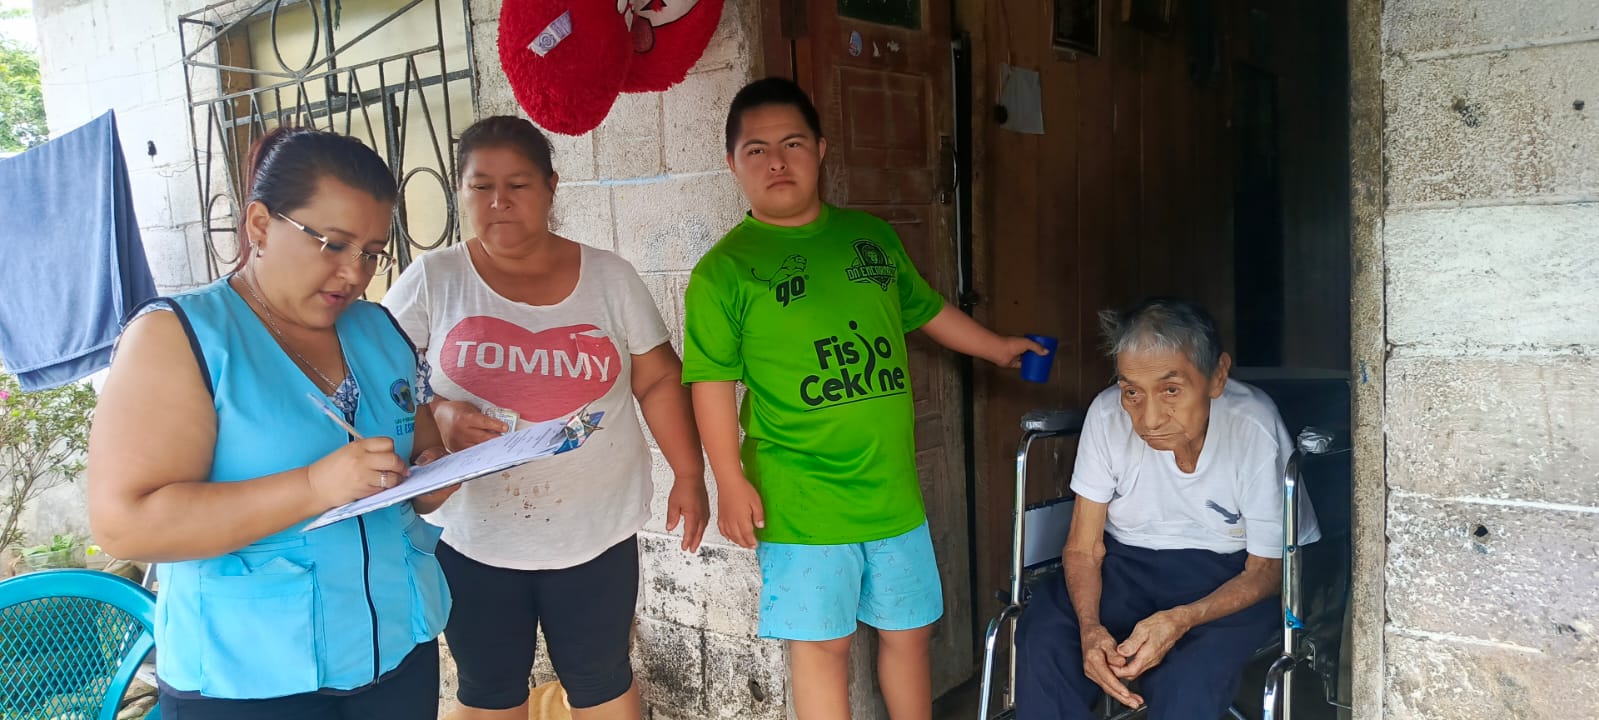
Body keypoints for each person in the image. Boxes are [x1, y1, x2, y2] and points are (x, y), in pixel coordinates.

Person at [681, 77, 1045, 720]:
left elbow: (925, 309)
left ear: (821, 150)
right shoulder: (723, 272)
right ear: (732, 163)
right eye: (756, 150)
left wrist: (995, 348)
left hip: (890, 490)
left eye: (793, 143)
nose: (776, 161)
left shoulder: (870, 238)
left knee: (910, 633)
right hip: (800, 497)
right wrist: (728, 480)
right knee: (822, 647)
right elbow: (709, 383)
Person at [87, 127, 456, 719]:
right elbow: (126, 524)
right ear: (260, 225)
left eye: (371, 252)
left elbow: (423, 452)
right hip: (249, 679)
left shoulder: (379, 330)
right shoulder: (180, 337)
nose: (354, 273)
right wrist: (313, 487)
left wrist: (436, 475)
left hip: (396, 652)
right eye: (333, 244)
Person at [381, 115, 709, 720]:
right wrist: (441, 413)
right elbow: (382, 382)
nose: (499, 202)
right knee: (487, 688)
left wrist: (689, 475)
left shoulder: (609, 277)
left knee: (603, 680)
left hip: (596, 530)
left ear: (551, 187)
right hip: (474, 535)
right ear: (460, 191)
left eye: (518, 185)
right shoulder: (435, 279)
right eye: (481, 186)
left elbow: (659, 378)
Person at [1013, 297, 1322, 719]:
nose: (1149, 419)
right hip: (1125, 567)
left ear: (1218, 376)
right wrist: (1090, 629)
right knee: (1047, 637)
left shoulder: (1251, 423)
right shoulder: (1107, 415)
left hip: (1230, 577)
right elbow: (1084, 549)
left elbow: (1267, 572)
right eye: (1132, 392)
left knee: (1187, 677)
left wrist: (1181, 619)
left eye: (1171, 390)